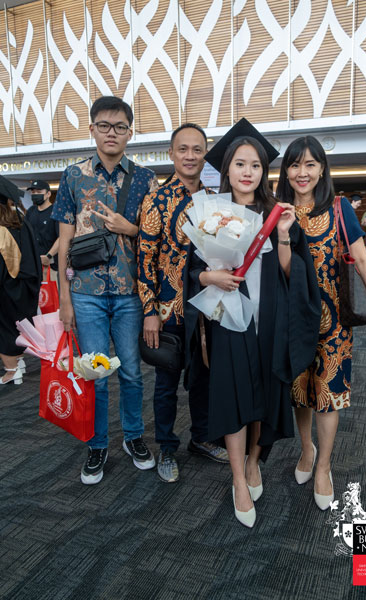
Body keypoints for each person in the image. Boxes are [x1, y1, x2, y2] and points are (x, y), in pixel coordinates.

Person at [185, 119, 321, 527]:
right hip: (229, 318)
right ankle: (239, 478)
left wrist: (282, 234)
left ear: (264, 171)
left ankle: (255, 460)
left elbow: (290, 271)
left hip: (269, 320)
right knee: (232, 396)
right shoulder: (210, 211)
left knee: (262, 395)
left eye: (256, 165)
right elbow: (194, 269)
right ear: (226, 169)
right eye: (240, 164)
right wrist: (212, 277)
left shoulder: (276, 211)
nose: (248, 172)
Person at [276, 135, 366, 511]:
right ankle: (306, 448)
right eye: (295, 165)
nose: (302, 172)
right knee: (300, 391)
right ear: (286, 170)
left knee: (327, 394)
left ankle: (323, 465)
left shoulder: (339, 209)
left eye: (310, 164)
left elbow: (362, 259)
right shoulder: (277, 211)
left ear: (322, 168)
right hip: (293, 319)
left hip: (334, 322)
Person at [52, 96, 158, 485]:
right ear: (92, 128)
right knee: (94, 373)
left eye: (120, 126)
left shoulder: (146, 179)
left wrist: (127, 228)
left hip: (131, 292)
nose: (112, 133)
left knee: (131, 372)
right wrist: (64, 298)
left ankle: (132, 437)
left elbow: (154, 237)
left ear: (131, 132)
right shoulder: (73, 175)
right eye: (104, 125)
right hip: (86, 292)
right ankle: (97, 444)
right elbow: (64, 238)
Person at [138, 123, 229, 484]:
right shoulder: (156, 200)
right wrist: (149, 311)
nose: (190, 156)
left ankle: (202, 438)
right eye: (183, 149)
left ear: (204, 153)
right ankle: (166, 447)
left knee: (205, 377)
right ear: (171, 154)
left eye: (197, 149)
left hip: (206, 305)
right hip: (167, 309)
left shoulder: (213, 200)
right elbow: (145, 259)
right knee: (166, 382)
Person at [0, 190, 41, 384]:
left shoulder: (1, 230)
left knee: (4, 329)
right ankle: (19, 363)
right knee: (18, 326)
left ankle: (12, 370)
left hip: (7, 287)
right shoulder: (21, 221)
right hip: (26, 285)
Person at [25, 180, 59, 281]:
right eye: (33, 192)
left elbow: (62, 237)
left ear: (48, 194)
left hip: (52, 265)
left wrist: (48, 256)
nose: (35, 195)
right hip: (33, 265)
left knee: (50, 295)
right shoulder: (31, 211)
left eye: (39, 192)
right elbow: (26, 234)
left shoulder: (56, 212)